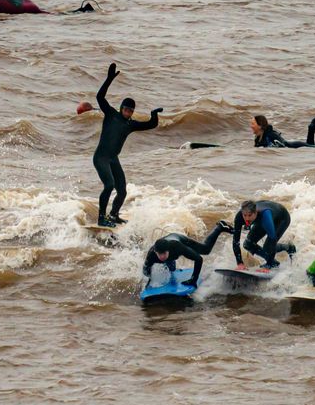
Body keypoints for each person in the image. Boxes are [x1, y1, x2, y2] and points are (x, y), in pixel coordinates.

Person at [93, 62, 162, 227]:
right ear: (121, 108)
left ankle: (114, 215)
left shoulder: (130, 124)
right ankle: (101, 218)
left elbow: (151, 125)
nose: (128, 112)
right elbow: (99, 98)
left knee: (122, 191)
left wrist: (154, 115)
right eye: (126, 109)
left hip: (113, 159)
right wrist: (109, 79)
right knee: (109, 185)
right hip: (101, 157)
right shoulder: (111, 114)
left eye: (131, 111)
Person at [143, 220, 234, 287]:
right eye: (160, 254)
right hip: (167, 249)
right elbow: (146, 270)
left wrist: (193, 280)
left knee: (206, 250)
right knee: (171, 269)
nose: (162, 256)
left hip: (180, 240)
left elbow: (199, 259)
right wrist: (150, 280)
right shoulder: (152, 254)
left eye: (164, 253)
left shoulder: (177, 247)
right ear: (155, 252)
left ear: (169, 250)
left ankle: (220, 227)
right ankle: (171, 265)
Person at [231, 200, 296, 270]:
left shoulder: (265, 215)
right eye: (245, 215)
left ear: (255, 212)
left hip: (281, 217)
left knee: (268, 247)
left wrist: (268, 265)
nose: (247, 218)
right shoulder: (239, 217)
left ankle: (288, 248)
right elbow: (235, 241)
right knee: (248, 244)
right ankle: (274, 263)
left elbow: (272, 238)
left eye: (249, 215)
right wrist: (240, 263)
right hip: (263, 216)